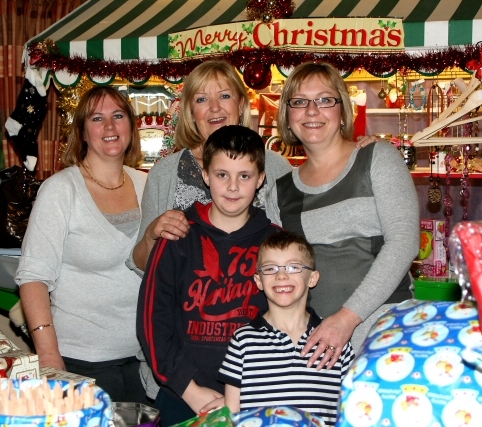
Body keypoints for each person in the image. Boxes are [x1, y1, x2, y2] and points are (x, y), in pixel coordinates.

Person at [270, 62, 420, 364]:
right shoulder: (281, 190)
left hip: (385, 334)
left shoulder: (377, 158)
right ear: (288, 116)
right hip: (318, 345)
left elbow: (404, 241)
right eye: (299, 102)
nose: (312, 111)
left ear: (342, 111)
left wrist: (346, 319)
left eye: (325, 100)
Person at [137, 125, 282, 426]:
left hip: (254, 399)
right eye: (222, 174)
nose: (233, 186)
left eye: (245, 175)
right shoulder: (176, 237)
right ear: (205, 175)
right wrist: (190, 390)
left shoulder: (276, 245)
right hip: (183, 397)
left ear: (261, 180)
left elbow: (290, 326)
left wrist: (246, 393)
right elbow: (153, 323)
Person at [15, 86, 150, 403]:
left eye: (118, 116)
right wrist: (48, 355)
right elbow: (33, 278)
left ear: (131, 126)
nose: (109, 127)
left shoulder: (149, 183)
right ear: (82, 132)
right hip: (81, 362)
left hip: (145, 360)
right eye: (97, 118)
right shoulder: (60, 190)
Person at [129, 60, 292, 274]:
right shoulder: (164, 174)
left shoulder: (275, 167)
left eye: (224, 96)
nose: (215, 107)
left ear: (241, 104)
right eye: (202, 99)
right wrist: (152, 235)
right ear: (190, 111)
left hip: (259, 302)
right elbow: (142, 264)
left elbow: (296, 249)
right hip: (188, 303)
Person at [213, 231, 355, 426]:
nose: (281, 275)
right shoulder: (244, 340)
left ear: (312, 278)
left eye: (293, 267)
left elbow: (353, 408)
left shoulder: (336, 339)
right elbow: (231, 413)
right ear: (258, 281)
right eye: (270, 268)